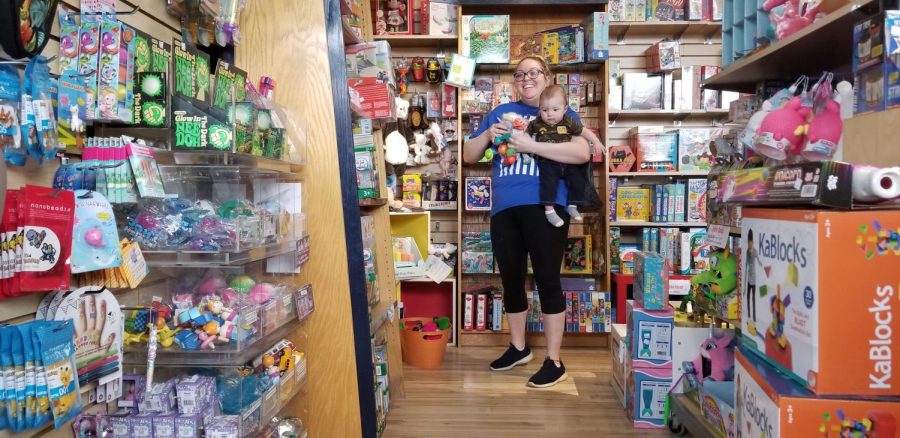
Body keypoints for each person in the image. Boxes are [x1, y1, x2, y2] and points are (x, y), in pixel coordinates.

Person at [462, 56, 603, 388]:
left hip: (546, 206)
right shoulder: (499, 112)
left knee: (547, 280)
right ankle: (518, 347)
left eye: (534, 73)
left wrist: (530, 144)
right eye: (521, 74)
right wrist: (487, 136)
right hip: (504, 208)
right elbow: (469, 155)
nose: (527, 78)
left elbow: (582, 153)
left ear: (547, 77)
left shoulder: (560, 112)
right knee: (511, 280)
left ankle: (554, 361)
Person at [526, 85, 586, 227]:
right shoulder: (536, 123)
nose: (550, 114)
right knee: (548, 184)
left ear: (565, 109)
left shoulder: (569, 121)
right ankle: (549, 211)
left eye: (555, 110)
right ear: (539, 109)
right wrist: (527, 150)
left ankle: (572, 206)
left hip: (567, 160)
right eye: (544, 110)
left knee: (579, 181)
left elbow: (584, 132)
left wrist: (596, 142)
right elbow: (525, 135)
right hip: (547, 162)